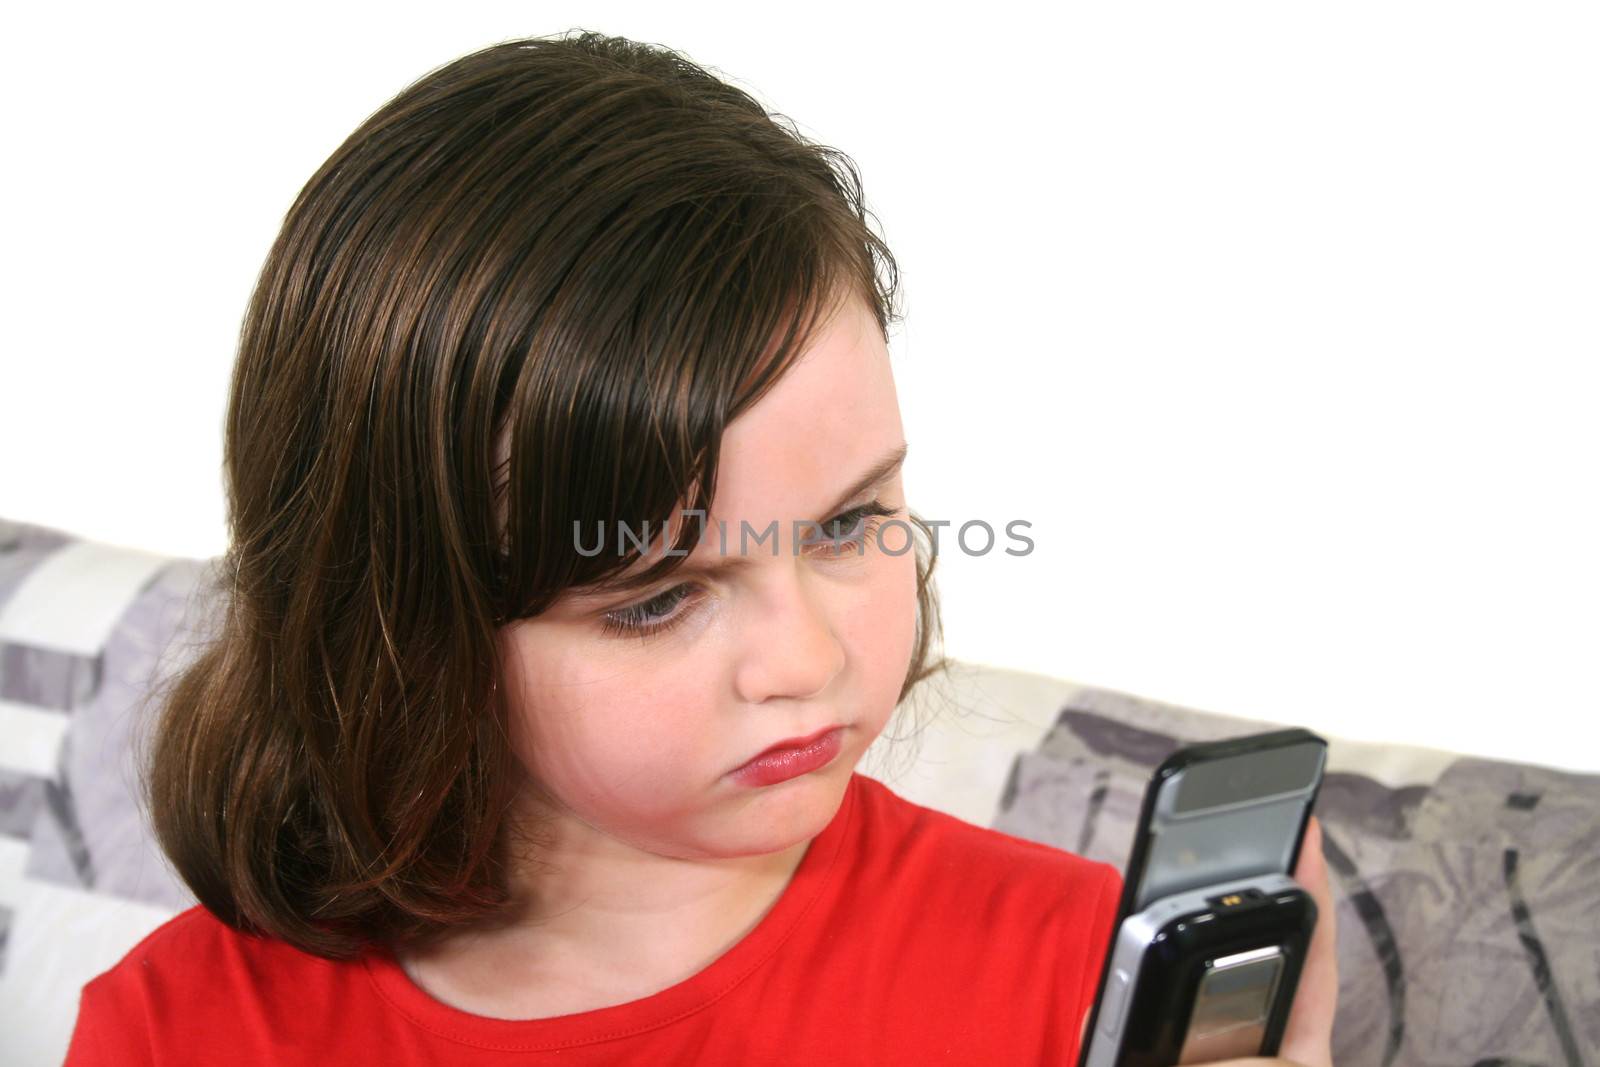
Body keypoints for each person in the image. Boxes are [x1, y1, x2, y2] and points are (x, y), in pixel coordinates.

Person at [63, 30, 1337, 1065]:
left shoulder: (1068, 978)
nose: (804, 654)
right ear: (398, 623)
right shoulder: (175, 1030)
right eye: (659, 596)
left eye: (846, 522)